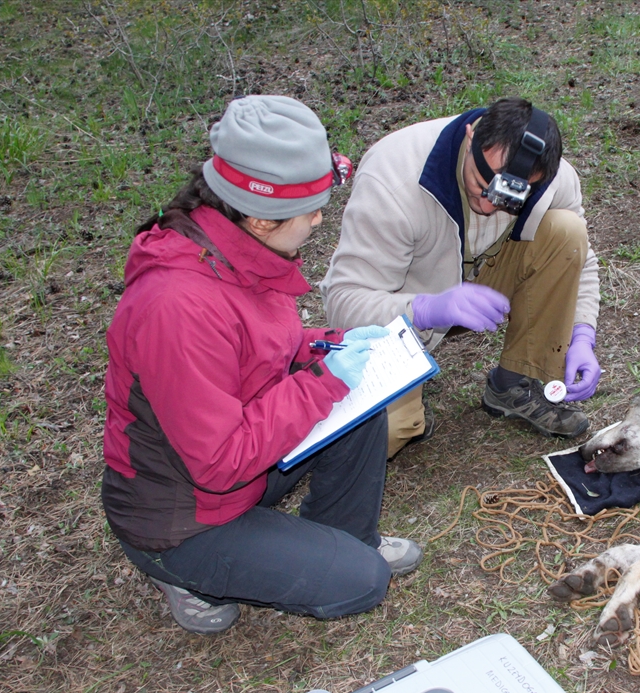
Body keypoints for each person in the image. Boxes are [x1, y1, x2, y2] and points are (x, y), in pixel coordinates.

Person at [101, 95, 421, 636]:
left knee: (361, 391)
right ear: (258, 215)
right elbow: (220, 461)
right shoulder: (175, 306)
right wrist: (320, 383)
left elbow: (263, 346)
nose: (321, 219)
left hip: (244, 465)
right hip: (185, 516)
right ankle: (178, 572)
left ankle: (339, 536)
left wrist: (329, 346)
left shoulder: (236, 251)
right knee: (362, 582)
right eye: (313, 209)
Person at [321, 97, 602, 456]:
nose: (486, 205)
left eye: (504, 201)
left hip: (483, 283)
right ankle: (406, 401)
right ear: (470, 138)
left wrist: (582, 335)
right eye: (479, 183)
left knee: (566, 230)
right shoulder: (393, 178)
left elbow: (581, 258)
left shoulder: (552, 180)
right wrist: (426, 310)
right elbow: (344, 302)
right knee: (382, 437)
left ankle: (517, 383)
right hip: (407, 311)